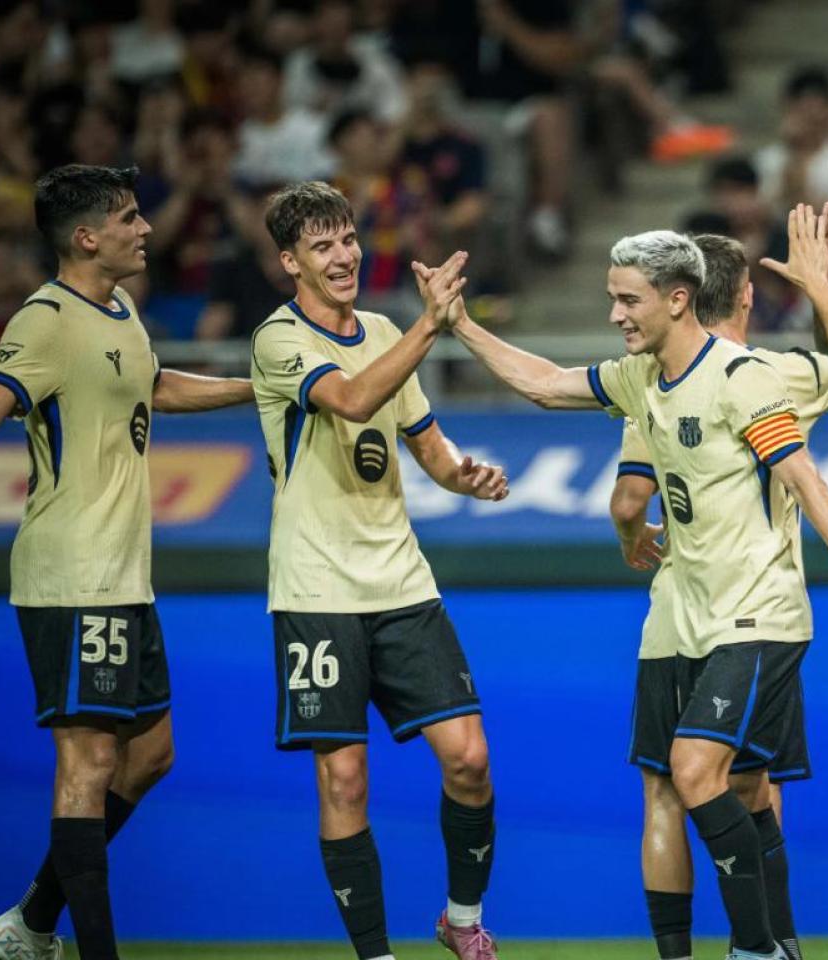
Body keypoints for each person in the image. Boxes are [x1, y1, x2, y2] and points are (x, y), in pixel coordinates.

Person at [440, 228, 828, 960]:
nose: (616, 314)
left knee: (687, 774)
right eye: (613, 298)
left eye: (628, 300)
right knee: (728, 786)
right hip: (684, 617)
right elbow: (545, 383)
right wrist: (457, 325)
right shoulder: (639, 378)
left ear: (679, 300)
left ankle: (758, 947)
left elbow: (804, 474)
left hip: (757, 614)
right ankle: (769, 946)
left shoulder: (742, 377)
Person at [0, 164, 256, 960]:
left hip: (124, 574)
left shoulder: (120, 309)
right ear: (86, 238)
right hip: (71, 571)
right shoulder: (44, 319)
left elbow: (152, 386)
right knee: (86, 762)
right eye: (127, 217)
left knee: (151, 755)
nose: (146, 228)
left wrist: (262, 387)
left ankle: (35, 919)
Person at [249, 181, 509, 960]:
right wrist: (432, 327)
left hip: (401, 585)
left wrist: (469, 476)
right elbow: (356, 400)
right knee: (345, 781)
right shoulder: (277, 339)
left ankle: (460, 919)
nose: (343, 255)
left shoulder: (386, 329)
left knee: (469, 759)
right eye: (322, 245)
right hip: (316, 589)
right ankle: (376, 955)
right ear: (290, 261)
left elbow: (429, 450)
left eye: (348, 238)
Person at [611, 216, 828, 960]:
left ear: (682, 298)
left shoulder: (652, 381)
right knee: (753, 787)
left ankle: (716, 951)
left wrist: (631, 536)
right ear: (748, 297)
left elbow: (630, 500)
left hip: (680, 610)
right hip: (765, 606)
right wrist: (822, 288)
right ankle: (775, 942)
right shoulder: (779, 373)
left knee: (672, 785)